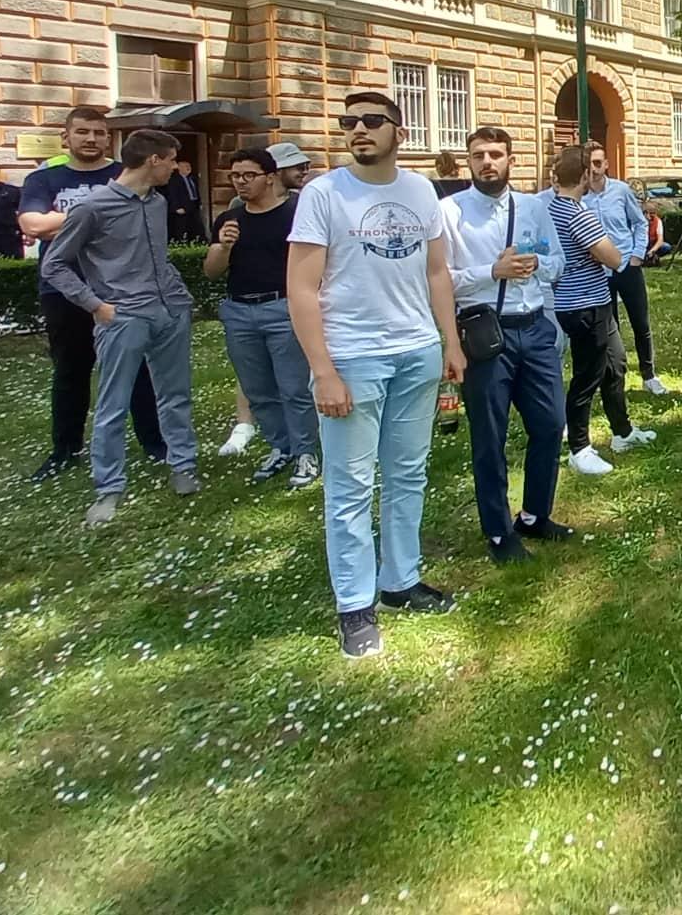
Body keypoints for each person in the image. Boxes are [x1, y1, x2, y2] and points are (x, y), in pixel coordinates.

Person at [288, 90, 466, 659]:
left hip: (416, 351)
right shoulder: (323, 194)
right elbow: (301, 288)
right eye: (349, 122)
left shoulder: (419, 191)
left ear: (399, 132)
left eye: (371, 121)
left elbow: (438, 272)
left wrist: (450, 342)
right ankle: (355, 605)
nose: (358, 130)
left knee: (408, 473)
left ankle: (400, 580)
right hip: (353, 357)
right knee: (350, 486)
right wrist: (324, 370)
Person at [41, 128, 203, 526]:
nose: (174, 168)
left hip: (170, 310)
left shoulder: (157, 202)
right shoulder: (93, 208)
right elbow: (54, 264)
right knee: (113, 405)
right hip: (124, 316)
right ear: (153, 160)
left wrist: (179, 297)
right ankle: (108, 489)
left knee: (175, 395)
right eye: (170, 160)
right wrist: (95, 305)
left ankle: (183, 466)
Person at [441, 126, 571, 562]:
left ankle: (535, 514)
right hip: (485, 333)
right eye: (479, 155)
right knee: (490, 436)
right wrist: (489, 272)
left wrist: (538, 264)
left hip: (534, 329)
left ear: (511, 160)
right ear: (469, 161)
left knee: (551, 423)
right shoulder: (450, 213)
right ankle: (498, 532)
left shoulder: (533, 206)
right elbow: (439, 280)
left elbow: (558, 262)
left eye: (496, 154)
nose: (487, 162)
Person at [19, 106, 167, 482]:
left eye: (99, 133)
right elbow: (33, 225)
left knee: (136, 369)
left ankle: (155, 444)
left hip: (121, 290)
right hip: (63, 290)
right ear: (66, 137)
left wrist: (67, 221)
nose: (91, 139)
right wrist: (96, 214)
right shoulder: (44, 179)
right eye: (83, 132)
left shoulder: (121, 173)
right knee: (71, 371)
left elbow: (138, 221)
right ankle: (65, 450)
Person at [204, 148, 319, 488]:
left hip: (282, 308)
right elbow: (211, 272)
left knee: (293, 387)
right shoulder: (230, 219)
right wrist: (223, 247)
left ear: (269, 177)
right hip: (239, 311)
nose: (241, 182)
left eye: (249, 175)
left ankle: (305, 453)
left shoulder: (293, 215)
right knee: (257, 390)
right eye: (235, 176)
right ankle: (279, 447)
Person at [547, 144, 647, 473]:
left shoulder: (549, 207)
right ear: (586, 176)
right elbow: (614, 258)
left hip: (592, 301)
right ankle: (579, 448)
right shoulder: (577, 213)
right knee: (587, 376)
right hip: (584, 305)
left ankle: (622, 431)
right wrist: (604, 252)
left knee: (615, 364)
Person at [584, 144, 665, 395]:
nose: (594, 169)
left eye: (598, 163)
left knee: (640, 321)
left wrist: (637, 255)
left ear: (606, 164)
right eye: (589, 164)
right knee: (609, 327)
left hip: (626, 265)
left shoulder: (620, 191)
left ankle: (649, 374)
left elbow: (640, 223)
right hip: (597, 270)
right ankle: (613, 377)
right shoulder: (580, 197)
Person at [163, 153, 208, 244]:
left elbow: (195, 192)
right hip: (181, 208)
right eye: (186, 166)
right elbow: (172, 194)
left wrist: (199, 204)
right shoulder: (174, 180)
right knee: (182, 228)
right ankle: (181, 244)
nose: (189, 168)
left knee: (197, 226)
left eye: (189, 166)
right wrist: (176, 207)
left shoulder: (192, 178)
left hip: (193, 206)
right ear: (179, 167)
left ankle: (199, 243)